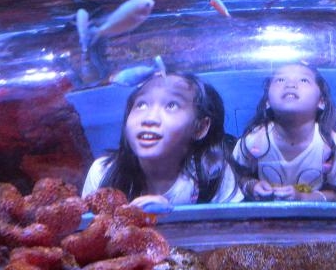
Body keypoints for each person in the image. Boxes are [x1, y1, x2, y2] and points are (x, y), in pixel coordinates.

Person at [81, 71, 242, 209]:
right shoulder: (102, 172)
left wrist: (170, 219)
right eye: (141, 104)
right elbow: (86, 232)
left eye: (171, 105)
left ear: (200, 127)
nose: (150, 118)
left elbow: (234, 232)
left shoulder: (214, 174)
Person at [233, 63, 336, 203]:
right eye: (280, 80)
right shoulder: (253, 141)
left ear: (321, 101)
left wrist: (304, 198)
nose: (290, 84)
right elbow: (236, 176)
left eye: (303, 80)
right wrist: (251, 186)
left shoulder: (334, 148)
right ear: (267, 102)